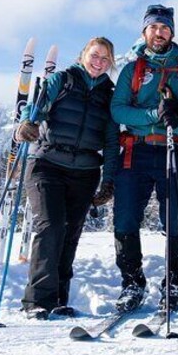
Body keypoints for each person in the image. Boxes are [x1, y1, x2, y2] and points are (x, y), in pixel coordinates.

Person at [110, 4, 178, 312]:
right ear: (144, 32)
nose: (159, 32)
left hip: (175, 149)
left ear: (172, 32)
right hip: (136, 151)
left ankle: (174, 283)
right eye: (153, 27)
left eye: (164, 27)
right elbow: (118, 110)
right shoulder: (132, 69)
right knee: (125, 217)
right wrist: (154, 114)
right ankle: (132, 283)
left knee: (176, 219)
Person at [16, 38, 119, 319]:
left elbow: (111, 142)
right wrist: (28, 123)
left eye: (105, 59)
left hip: (85, 171)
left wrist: (108, 181)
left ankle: (59, 298)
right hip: (47, 163)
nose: (99, 62)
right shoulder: (63, 80)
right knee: (50, 227)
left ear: (110, 64)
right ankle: (37, 300)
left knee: (71, 232)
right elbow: (35, 106)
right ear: (83, 54)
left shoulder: (110, 95)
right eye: (94, 55)